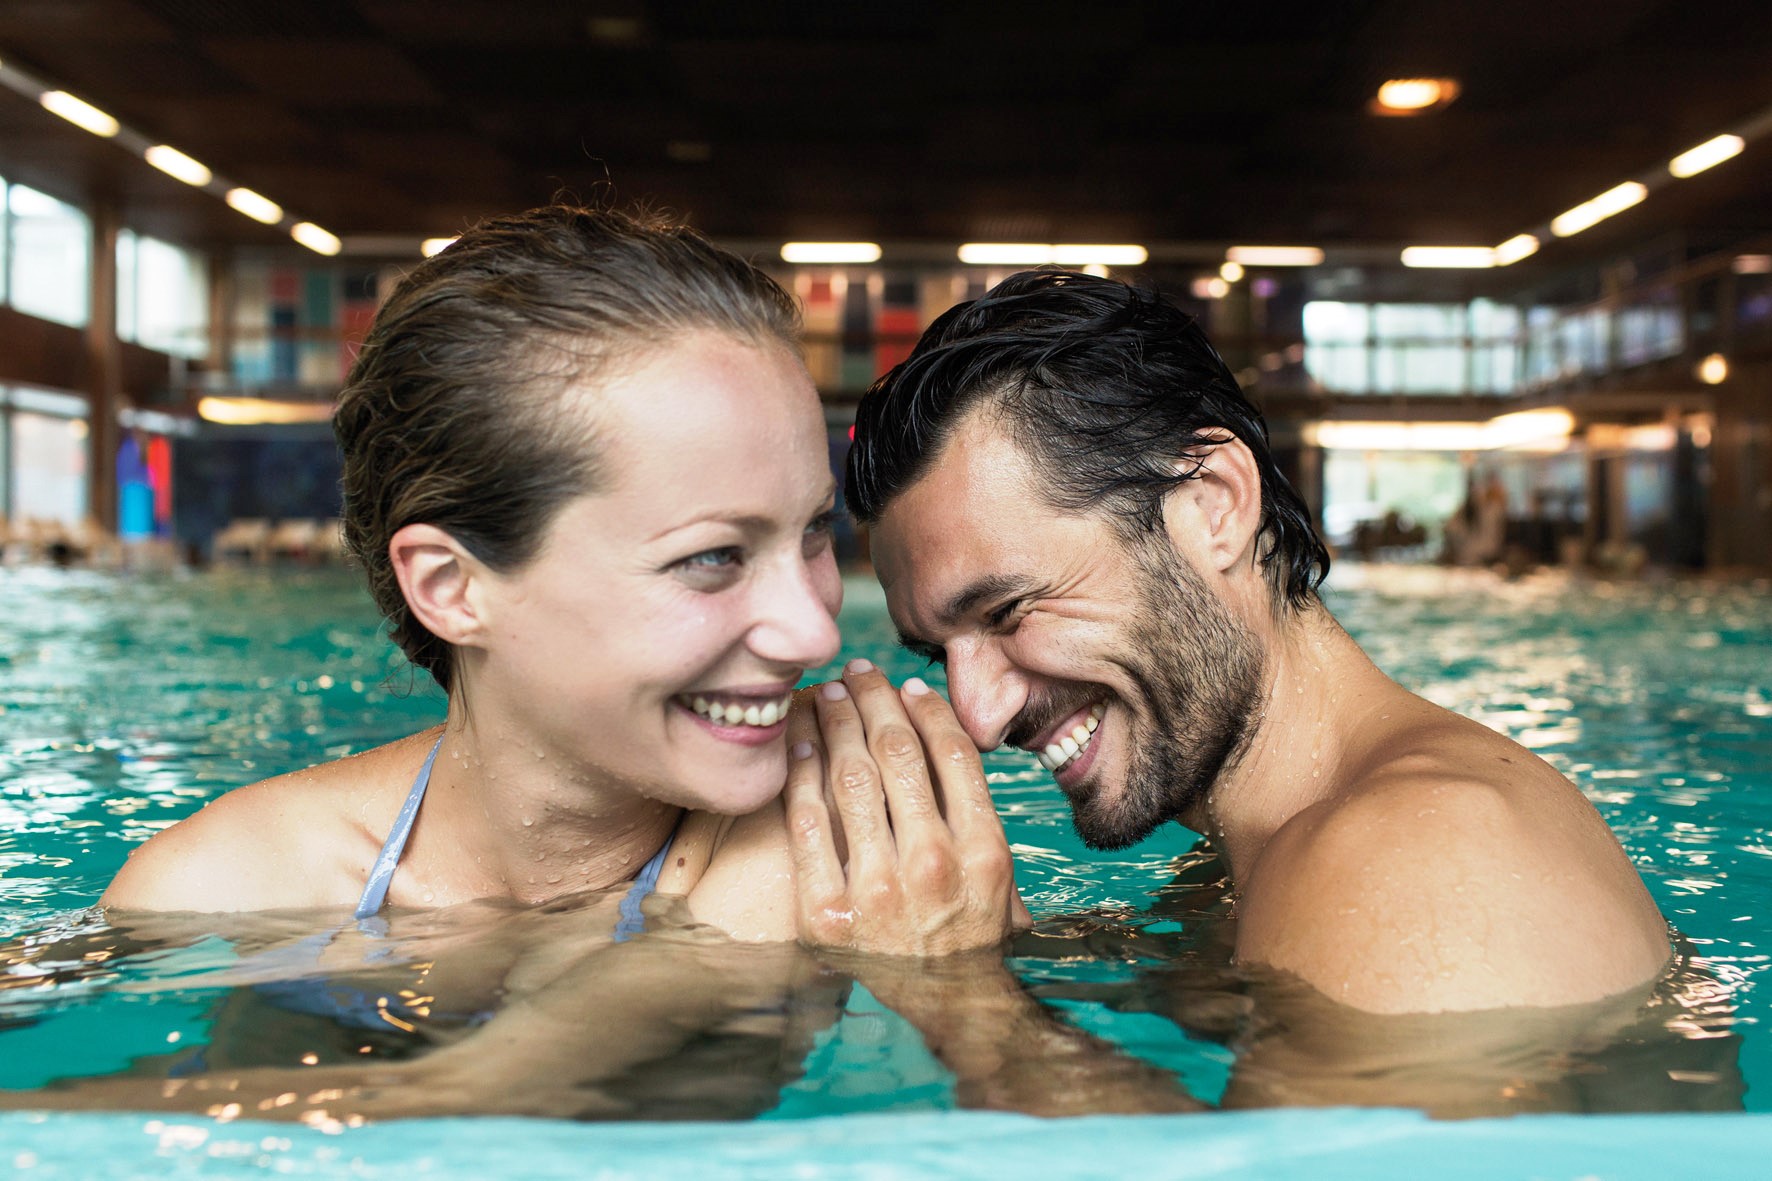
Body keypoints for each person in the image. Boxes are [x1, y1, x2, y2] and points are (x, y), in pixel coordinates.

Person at [100, 204, 1014, 954]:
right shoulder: (227, 890)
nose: (815, 634)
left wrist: (963, 986)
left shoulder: (881, 857)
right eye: (711, 558)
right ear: (453, 587)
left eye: (814, 531)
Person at [821, 269, 1671, 1017]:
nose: (976, 715)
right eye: (940, 652)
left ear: (1215, 504)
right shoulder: (1248, 861)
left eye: (1007, 612)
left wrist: (963, 1003)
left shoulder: (1414, 859)